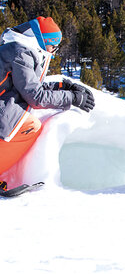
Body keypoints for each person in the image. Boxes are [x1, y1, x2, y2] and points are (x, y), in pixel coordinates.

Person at [0, 16, 95, 192]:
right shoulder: (21, 53)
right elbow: (35, 96)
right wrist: (72, 98)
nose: (53, 51)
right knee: (29, 127)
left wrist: (63, 86)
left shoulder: (19, 48)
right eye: (53, 46)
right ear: (44, 41)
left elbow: (29, 85)